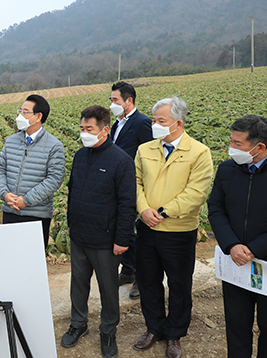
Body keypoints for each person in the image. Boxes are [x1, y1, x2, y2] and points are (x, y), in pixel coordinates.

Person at [133, 97, 213, 358]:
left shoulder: (199, 152)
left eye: (160, 121)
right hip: (146, 228)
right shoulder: (145, 149)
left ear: (178, 123)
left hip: (179, 231)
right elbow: (135, 183)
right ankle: (154, 328)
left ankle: (175, 333)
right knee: (148, 281)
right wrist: (144, 209)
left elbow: (197, 192)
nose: (154, 124)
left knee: (179, 285)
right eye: (154, 119)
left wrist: (164, 212)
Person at [60, 106, 136, 358]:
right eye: (82, 129)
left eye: (89, 129)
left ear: (105, 130)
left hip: (105, 239)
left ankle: (108, 330)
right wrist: (71, 222)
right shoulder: (81, 156)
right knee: (78, 285)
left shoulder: (120, 160)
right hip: (79, 235)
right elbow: (73, 191)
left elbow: (127, 203)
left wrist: (122, 239)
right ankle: (78, 324)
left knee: (108, 288)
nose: (84, 133)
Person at [208, 115, 267, 358]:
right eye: (231, 141)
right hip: (236, 264)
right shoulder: (226, 170)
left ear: (260, 147)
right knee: (236, 324)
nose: (231, 148)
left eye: (238, 144)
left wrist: (254, 249)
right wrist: (232, 245)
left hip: (264, 263)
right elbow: (216, 209)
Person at [0, 94, 65, 250]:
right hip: (10, 211)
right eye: (20, 110)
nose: (20, 115)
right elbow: (0, 169)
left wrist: (26, 200)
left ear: (38, 116)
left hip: (36, 215)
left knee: (33, 263)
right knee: (9, 257)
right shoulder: (11, 141)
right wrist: (5, 195)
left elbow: (54, 179)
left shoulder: (54, 146)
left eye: (25, 112)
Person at [109, 81, 153, 299]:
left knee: (130, 231)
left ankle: (140, 275)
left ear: (129, 101)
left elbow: (151, 155)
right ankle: (127, 271)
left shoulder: (142, 123)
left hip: (133, 183)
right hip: (116, 183)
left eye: (115, 100)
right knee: (121, 227)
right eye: (111, 100)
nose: (112, 104)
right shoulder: (117, 124)